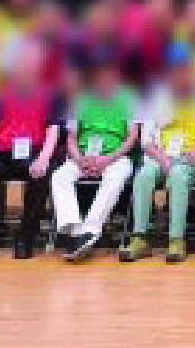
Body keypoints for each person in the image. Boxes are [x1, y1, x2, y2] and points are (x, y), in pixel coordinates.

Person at [127, 44, 195, 263]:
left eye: (183, 68)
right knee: (144, 175)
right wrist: (162, 159)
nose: (179, 74)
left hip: (193, 158)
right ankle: (139, 238)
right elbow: (146, 140)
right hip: (161, 156)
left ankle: (176, 240)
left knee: (178, 174)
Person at [0, 49, 63, 258]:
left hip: (34, 153)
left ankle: (26, 236)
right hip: (3, 154)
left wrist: (43, 159)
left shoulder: (50, 95)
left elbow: (53, 131)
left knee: (41, 175)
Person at [51, 53, 139, 262]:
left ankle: (90, 229)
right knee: (59, 176)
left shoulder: (129, 98)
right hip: (83, 156)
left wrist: (108, 158)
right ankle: (75, 230)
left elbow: (132, 137)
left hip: (115, 157)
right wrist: (80, 159)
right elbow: (71, 138)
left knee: (117, 175)